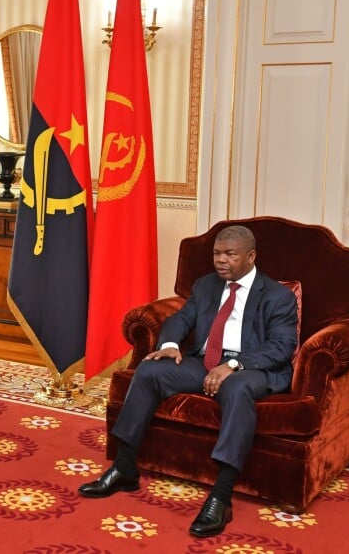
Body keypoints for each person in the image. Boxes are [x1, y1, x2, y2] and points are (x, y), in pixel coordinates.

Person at [79, 225, 298, 538]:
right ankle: (124, 468)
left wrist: (234, 365)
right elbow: (181, 319)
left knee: (236, 390)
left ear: (251, 257)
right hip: (205, 361)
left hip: (252, 367)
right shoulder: (207, 285)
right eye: (217, 254)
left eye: (230, 255)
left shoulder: (277, 296)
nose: (221, 261)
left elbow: (281, 346)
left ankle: (221, 497)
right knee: (148, 370)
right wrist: (168, 345)